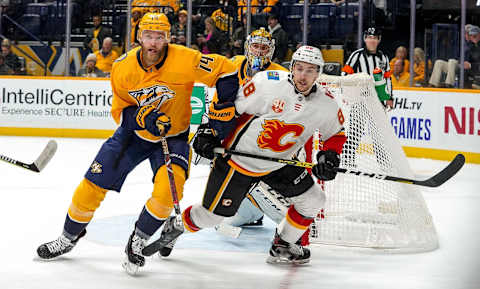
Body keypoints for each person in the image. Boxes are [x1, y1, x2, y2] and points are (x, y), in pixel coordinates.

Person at [36, 12, 239, 275]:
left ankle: (139, 238)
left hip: (173, 137)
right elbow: (121, 111)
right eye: (148, 36)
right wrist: (146, 117)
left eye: (159, 36)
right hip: (132, 137)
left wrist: (222, 110)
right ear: (138, 37)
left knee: (167, 194)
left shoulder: (187, 59)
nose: (153, 42)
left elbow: (227, 70)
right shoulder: (122, 66)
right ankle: (68, 237)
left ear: (168, 38)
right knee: (91, 186)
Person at [156, 45, 346, 265]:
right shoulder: (268, 83)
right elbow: (231, 109)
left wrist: (329, 157)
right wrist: (210, 131)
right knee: (213, 216)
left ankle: (283, 244)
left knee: (313, 200)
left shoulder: (326, 104)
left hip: (278, 163)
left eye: (310, 70)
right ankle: (176, 225)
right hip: (239, 160)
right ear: (292, 68)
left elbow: (336, 134)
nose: (303, 75)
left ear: (318, 73)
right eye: (300, 68)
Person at [215, 28, 288, 230]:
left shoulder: (281, 75)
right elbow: (218, 104)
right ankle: (249, 213)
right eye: (255, 46)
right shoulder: (232, 66)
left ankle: (286, 224)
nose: (259, 52)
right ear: (248, 47)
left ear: (271, 51)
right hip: (234, 137)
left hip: (264, 141)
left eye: (264, 48)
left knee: (258, 178)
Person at [341, 27, 393, 109]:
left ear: (379, 40)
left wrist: (389, 97)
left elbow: (388, 79)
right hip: (359, 101)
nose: (372, 41)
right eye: (369, 37)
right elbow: (344, 75)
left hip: (378, 100)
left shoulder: (383, 57)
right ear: (365, 39)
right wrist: (347, 94)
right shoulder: (357, 55)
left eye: (375, 38)